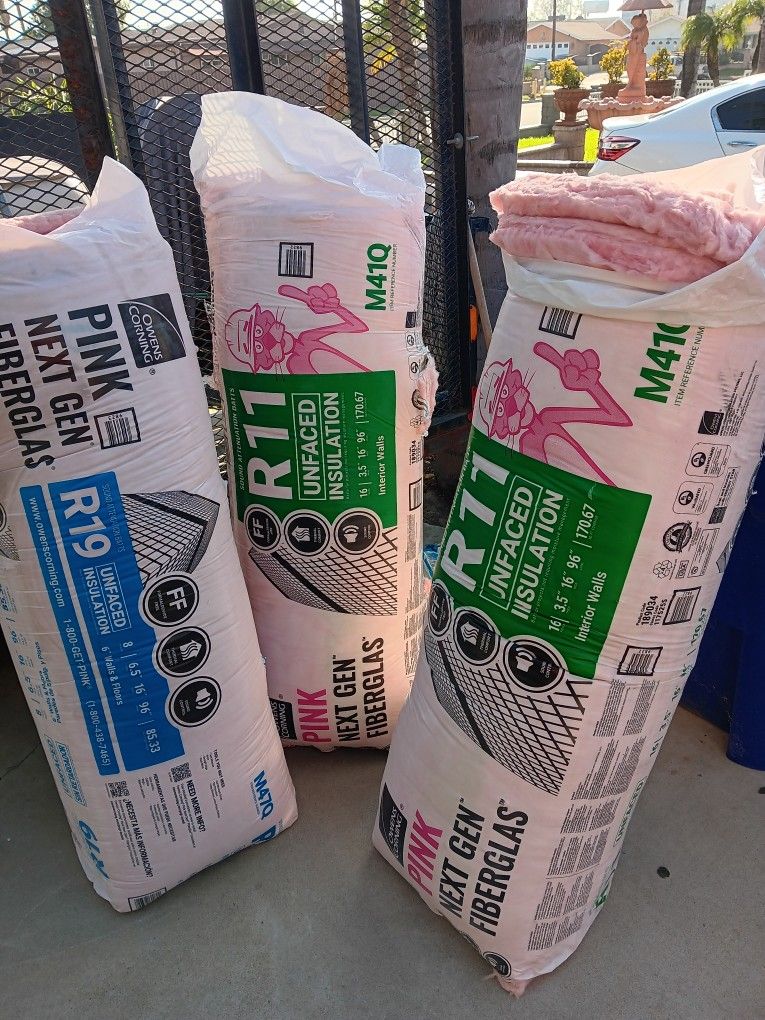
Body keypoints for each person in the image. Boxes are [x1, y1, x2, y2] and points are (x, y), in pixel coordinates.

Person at [619, 13, 649, 99]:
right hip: (632, 51)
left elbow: (639, 41)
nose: (634, 25)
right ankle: (630, 83)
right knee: (629, 67)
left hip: (637, 51)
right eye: (633, 24)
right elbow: (631, 38)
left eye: (636, 23)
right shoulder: (635, 30)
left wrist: (635, 38)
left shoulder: (643, 30)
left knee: (634, 67)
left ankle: (632, 85)